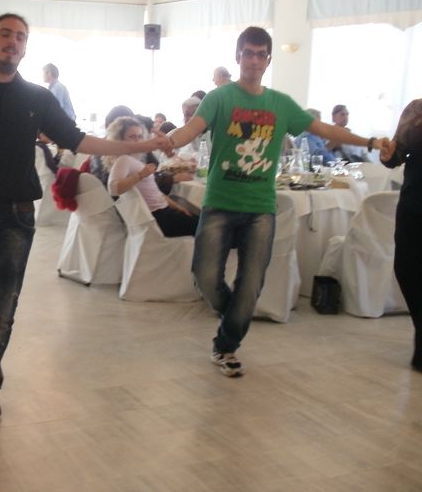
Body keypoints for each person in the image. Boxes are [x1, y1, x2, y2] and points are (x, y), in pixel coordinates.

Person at [0, 13, 172, 424]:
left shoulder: (37, 98)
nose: (13, 42)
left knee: (1, 307)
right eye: (6, 34)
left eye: (21, 37)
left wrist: (139, 144)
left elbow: (78, 139)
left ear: (25, 47)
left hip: (16, 216)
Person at [165, 26, 386, 378]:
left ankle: (226, 346)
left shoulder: (280, 104)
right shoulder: (219, 98)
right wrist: (169, 140)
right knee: (204, 276)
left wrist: (371, 142)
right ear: (238, 57)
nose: (253, 60)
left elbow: (325, 130)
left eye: (260, 55)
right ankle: (234, 315)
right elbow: (191, 129)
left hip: (260, 209)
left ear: (268, 60)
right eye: (248, 53)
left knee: (251, 284)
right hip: (220, 202)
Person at [380, 99, 422, 371]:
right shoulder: (416, 110)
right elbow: (396, 155)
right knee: (406, 268)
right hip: (413, 203)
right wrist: (388, 155)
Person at [105, 116, 198, 237]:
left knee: (204, 222)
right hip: (158, 218)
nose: (138, 140)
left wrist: (176, 206)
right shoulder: (123, 159)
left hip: (162, 213)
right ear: (120, 139)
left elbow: (156, 193)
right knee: (209, 226)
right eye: (132, 137)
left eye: (140, 136)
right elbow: (113, 189)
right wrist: (140, 175)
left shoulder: (133, 160)